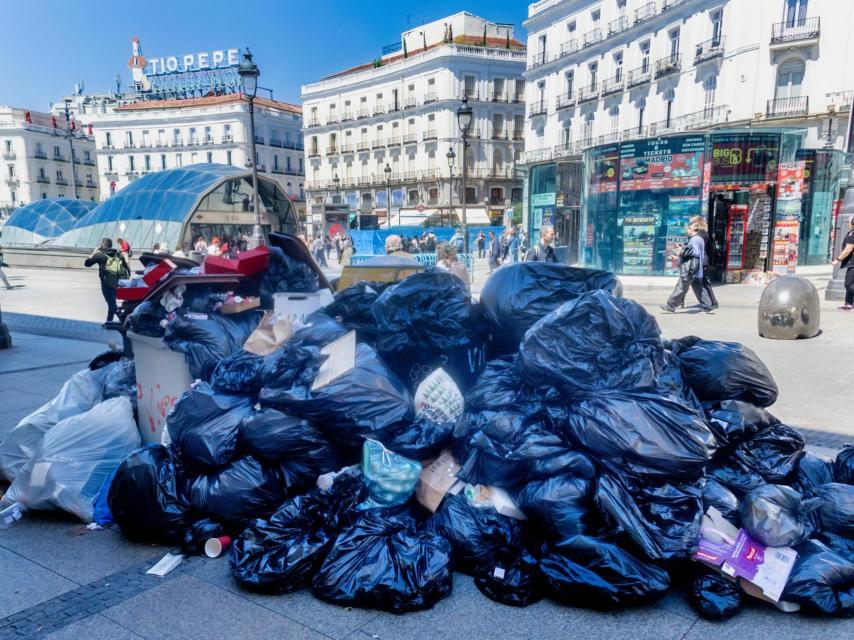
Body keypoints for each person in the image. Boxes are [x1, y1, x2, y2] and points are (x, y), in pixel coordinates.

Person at [661, 223, 714, 313]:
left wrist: (682, 250)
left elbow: (696, 253)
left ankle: (670, 306)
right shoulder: (700, 239)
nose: (687, 231)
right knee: (699, 288)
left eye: (688, 229)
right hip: (697, 269)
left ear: (692, 229)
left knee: (681, 287)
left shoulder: (694, 239)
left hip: (690, 269)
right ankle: (707, 305)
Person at [85, 238, 129, 325]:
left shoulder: (100, 255)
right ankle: (110, 321)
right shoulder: (118, 254)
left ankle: (122, 320)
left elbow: (87, 263)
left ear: (102, 245)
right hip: (117, 282)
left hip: (106, 283)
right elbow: (126, 267)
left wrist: (93, 253)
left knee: (112, 304)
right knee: (112, 303)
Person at [691, 215, 719, 309]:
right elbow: (710, 248)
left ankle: (712, 303)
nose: (690, 224)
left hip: (702, 260)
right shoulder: (703, 233)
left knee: (705, 282)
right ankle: (711, 302)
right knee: (704, 282)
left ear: (696, 223)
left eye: (691, 222)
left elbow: (705, 248)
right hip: (704, 259)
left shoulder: (700, 234)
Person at [832, 217, 854, 310]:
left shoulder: (852, 234)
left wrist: (838, 259)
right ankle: (848, 304)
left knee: (849, 284)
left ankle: (849, 304)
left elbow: (848, 249)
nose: (848, 222)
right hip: (851, 262)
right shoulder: (851, 233)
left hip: (853, 262)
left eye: (849, 221)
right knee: (850, 283)